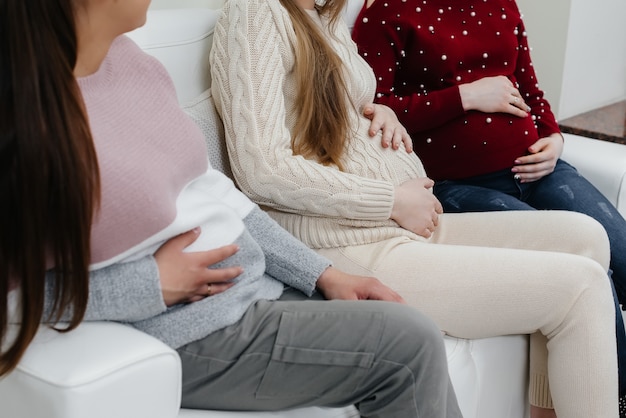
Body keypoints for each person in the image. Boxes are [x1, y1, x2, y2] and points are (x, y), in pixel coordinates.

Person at [0, 1, 464, 417]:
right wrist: (145, 285)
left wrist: (321, 274)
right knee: (408, 344)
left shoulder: (130, 62)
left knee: (410, 318)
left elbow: (214, 193)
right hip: (188, 327)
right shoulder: (21, 111)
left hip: (251, 289)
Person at [209, 0, 620, 417]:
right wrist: (390, 200)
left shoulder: (323, 14)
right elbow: (260, 168)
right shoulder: (256, 11)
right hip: (350, 241)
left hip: (396, 222)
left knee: (586, 237)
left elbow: (331, 116)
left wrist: (378, 110)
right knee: (582, 286)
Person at [350, 0, 626, 413]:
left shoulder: (501, 3)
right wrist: (465, 97)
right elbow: (371, 111)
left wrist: (554, 137)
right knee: (590, 272)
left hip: (541, 169)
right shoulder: (387, 13)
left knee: (620, 251)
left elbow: (528, 86)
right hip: (455, 184)